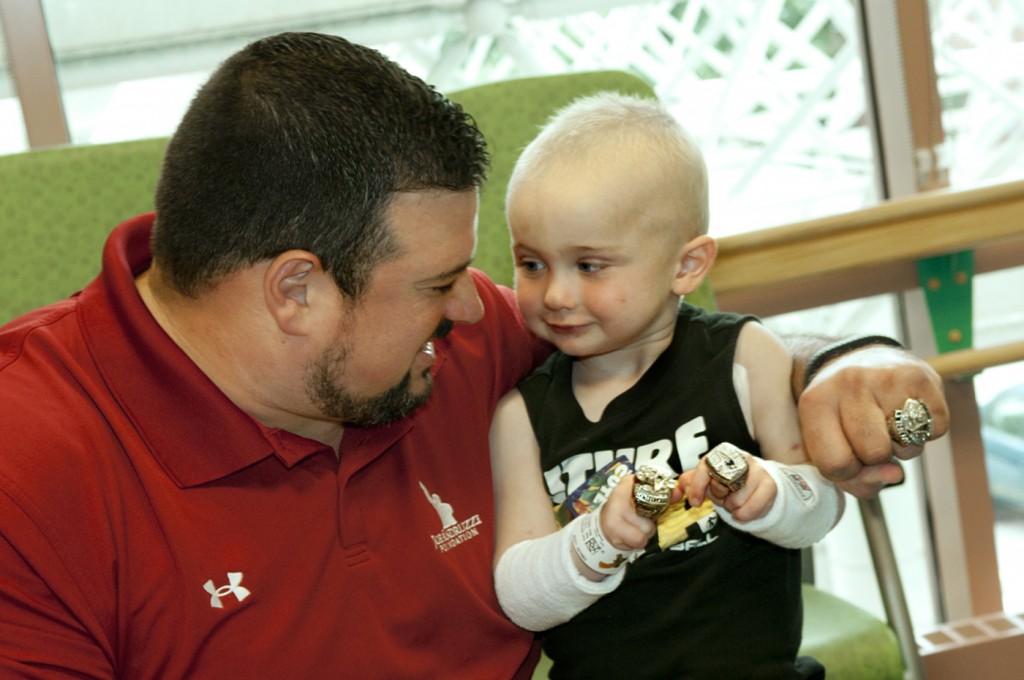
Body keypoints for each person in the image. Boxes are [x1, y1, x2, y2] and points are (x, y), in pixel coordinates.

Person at [0, 31, 945, 680]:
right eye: (438, 282)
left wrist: (840, 361)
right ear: (297, 291)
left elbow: (671, 339)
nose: (483, 301)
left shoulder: (468, 339)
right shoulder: (29, 473)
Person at [490, 92, 850, 679]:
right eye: (532, 264)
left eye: (589, 265)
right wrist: (596, 540)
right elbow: (520, 597)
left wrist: (768, 494)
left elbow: (824, 504)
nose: (555, 294)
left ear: (687, 266)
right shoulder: (520, 416)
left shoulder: (743, 357)